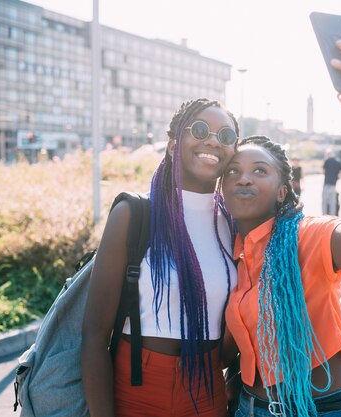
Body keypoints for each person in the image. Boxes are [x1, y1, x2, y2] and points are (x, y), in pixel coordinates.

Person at [221, 41, 341, 416]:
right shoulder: (230, 252)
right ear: (222, 188)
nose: (244, 179)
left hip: (322, 409)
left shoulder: (308, 236)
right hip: (249, 408)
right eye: (233, 172)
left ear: (282, 190)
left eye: (260, 170)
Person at [82, 98, 240, 417]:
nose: (212, 140)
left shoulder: (236, 226)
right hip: (135, 389)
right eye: (199, 130)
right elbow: (95, 336)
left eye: (225, 136)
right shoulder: (134, 214)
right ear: (172, 145)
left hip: (207, 391)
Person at [322, 148, 341, 216]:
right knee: (332, 202)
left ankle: (324, 216)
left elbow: (323, 172)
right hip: (333, 184)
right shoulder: (338, 161)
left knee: (325, 201)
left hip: (326, 184)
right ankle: (332, 216)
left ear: (328, 154)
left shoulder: (326, 161)